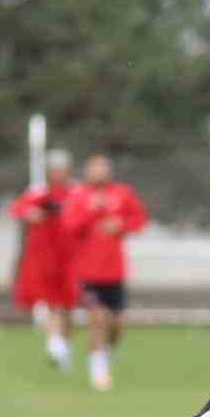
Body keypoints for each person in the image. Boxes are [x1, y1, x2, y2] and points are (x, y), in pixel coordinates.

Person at [64, 154, 148, 391]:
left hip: (114, 272)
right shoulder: (78, 196)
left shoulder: (122, 193)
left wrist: (120, 224)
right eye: (95, 168)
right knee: (96, 319)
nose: (100, 172)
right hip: (88, 273)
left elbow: (139, 219)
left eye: (104, 167)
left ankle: (103, 352)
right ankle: (98, 371)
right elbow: (70, 226)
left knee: (116, 325)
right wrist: (90, 211)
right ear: (87, 171)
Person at [8, 150, 77, 369]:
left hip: (70, 260)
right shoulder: (39, 192)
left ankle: (63, 346)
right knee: (50, 304)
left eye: (62, 168)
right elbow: (18, 207)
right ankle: (56, 345)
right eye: (54, 169)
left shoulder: (76, 192)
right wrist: (30, 212)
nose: (58, 173)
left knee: (67, 308)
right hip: (43, 259)